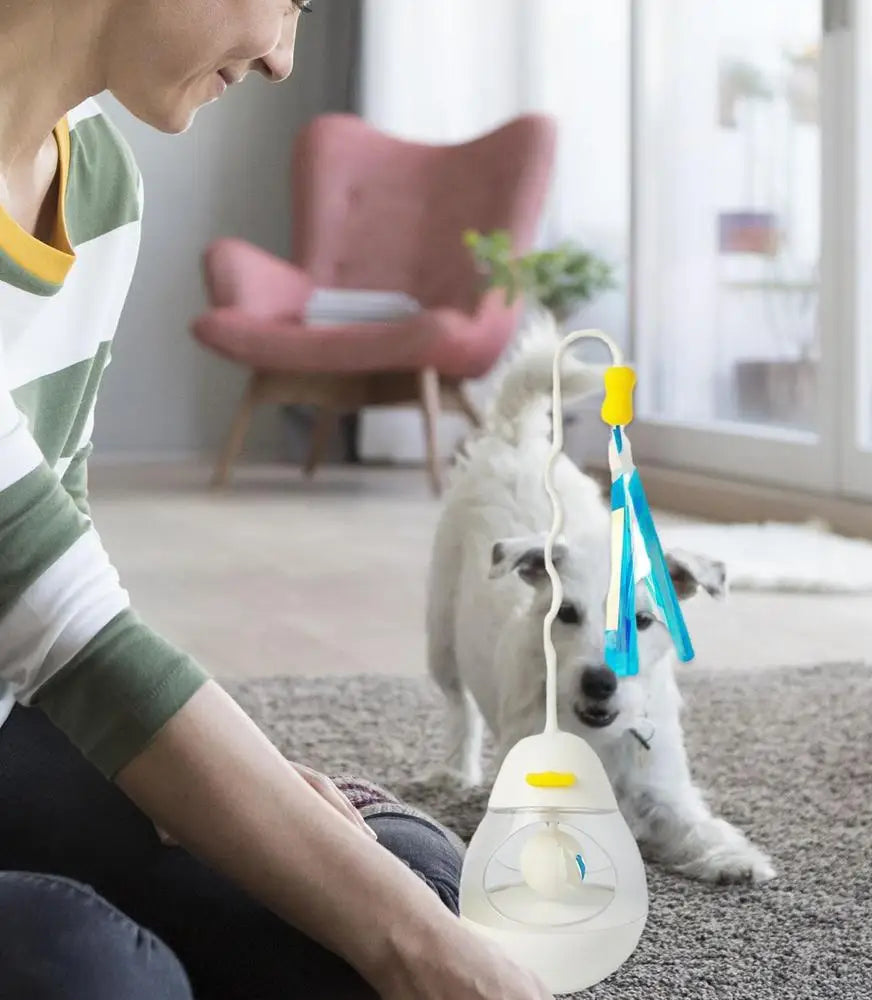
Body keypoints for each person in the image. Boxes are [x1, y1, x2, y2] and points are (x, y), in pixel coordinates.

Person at [0, 3, 553, 998]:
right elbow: (65, 627)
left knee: (406, 877)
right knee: (103, 976)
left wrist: (217, 788)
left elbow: (52, 560)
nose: (284, 58)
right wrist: (411, 946)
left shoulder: (97, 184)